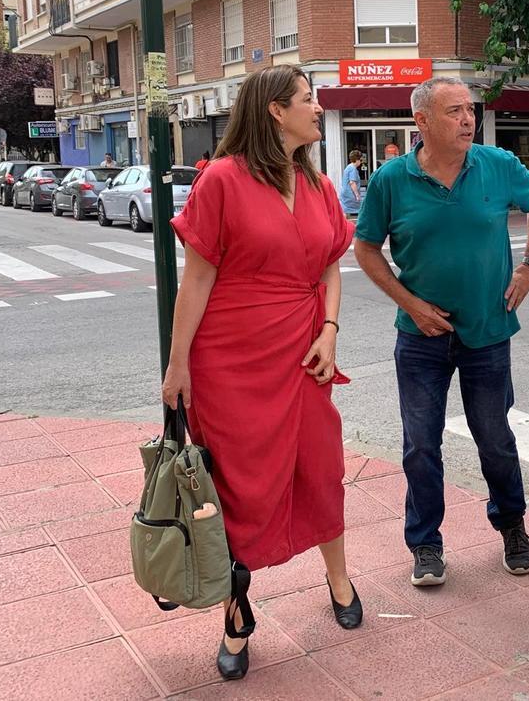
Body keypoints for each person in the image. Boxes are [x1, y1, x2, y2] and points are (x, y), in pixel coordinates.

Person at [162, 64, 362, 682]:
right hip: (230, 360)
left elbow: (330, 266)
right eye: (307, 99)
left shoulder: (321, 185)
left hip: (303, 352)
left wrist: (330, 329)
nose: (317, 107)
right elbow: (196, 280)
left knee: (321, 467)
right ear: (275, 110)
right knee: (236, 486)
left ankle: (339, 578)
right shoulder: (221, 180)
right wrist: (177, 364)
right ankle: (235, 613)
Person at [354, 76, 529, 587]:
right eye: (454, 111)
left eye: (470, 109)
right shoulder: (391, 180)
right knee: (420, 444)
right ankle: (425, 543)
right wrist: (411, 304)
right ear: (421, 121)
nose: (468, 119)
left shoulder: (497, 164)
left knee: (495, 439)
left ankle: (512, 525)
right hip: (420, 337)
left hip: (488, 332)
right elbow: (365, 249)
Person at [340, 150, 363, 216]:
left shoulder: (348, 167)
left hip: (346, 195)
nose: (361, 162)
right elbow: (352, 183)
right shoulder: (353, 169)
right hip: (351, 195)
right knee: (360, 209)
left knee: (347, 212)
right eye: (360, 160)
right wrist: (357, 195)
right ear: (357, 160)